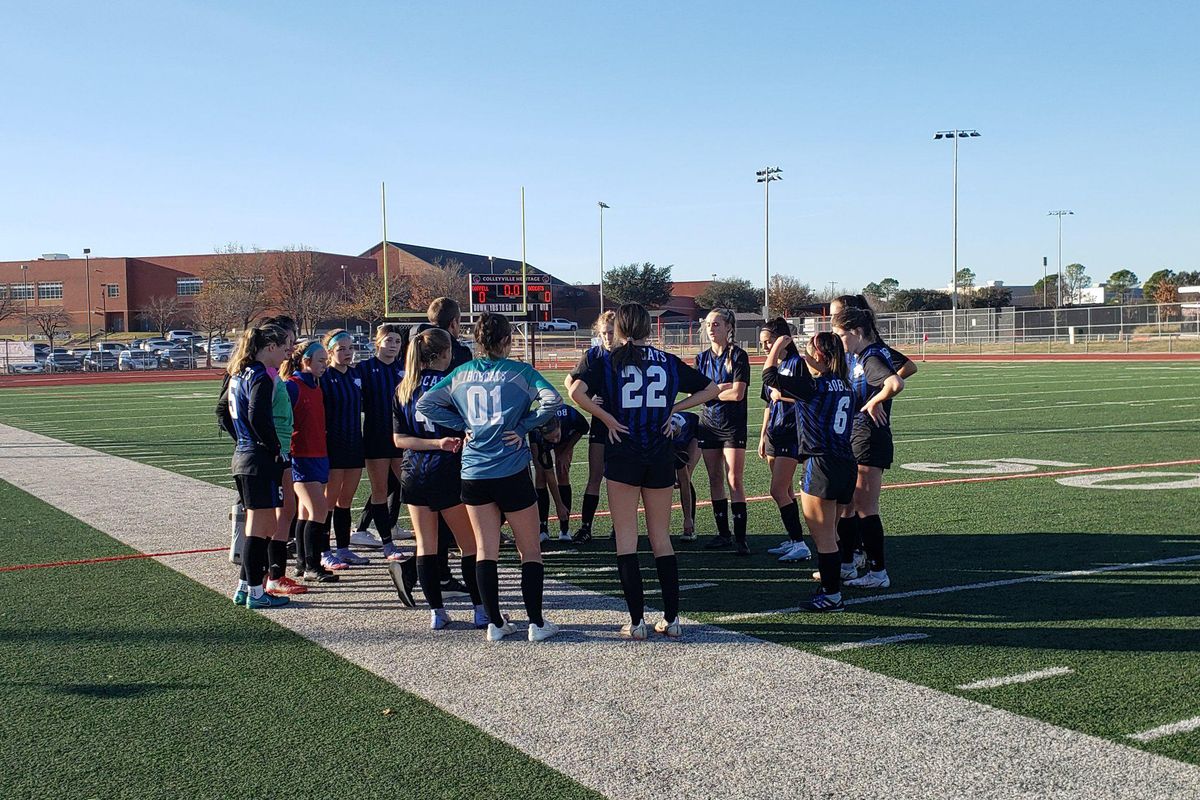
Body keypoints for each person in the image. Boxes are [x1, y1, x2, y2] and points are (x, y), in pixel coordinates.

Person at [569, 303, 718, 639]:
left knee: (626, 540)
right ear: (648, 328)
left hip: (624, 453)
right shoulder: (666, 360)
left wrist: (607, 418)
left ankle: (636, 623)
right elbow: (712, 389)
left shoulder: (607, 359)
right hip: (659, 454)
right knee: (661, 538)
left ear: (620, 328)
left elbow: (575, 392)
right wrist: (673, 409)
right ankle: (672, 619)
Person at [417, 313, 563, 642]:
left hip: (473, 471)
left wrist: (463, 425)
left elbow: (426, 404)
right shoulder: (520, 372)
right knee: (530, 551)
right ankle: (536, 623)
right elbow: (553, 400)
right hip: (510, 469)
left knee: (485, 550)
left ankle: (495, 623)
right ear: (507, 340)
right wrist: (524, 426)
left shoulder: (461, 373)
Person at [393, 328, 487, 630]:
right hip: (447, 470)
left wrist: (432, 443)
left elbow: (399, 440)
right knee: (470, 545)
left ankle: (437, 611)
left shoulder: (404, 387)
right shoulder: (452, 385)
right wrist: (443, 443)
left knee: (426, 545)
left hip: (414, 471)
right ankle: (480, 609)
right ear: (445, 353)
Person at [762, 331, 857, 611]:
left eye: (808, 351)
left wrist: (777, 346)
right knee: (832, 533)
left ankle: (832, 595)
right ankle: (833, 582)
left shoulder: (814, 385)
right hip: (845, 462)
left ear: (820, 356)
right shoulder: (846, 385)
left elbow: (768, 376)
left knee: (823, 537)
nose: (804, 355)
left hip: (821, 463)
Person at [826, 294, 917, 575]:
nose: (838, 341)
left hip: (869, 436)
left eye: (840, 335)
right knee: (849, 504)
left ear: (856, 332)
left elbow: (895, 382)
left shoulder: (871, 355)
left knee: (865, 507)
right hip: (857, 434)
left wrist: (875, 401)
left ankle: (877, 572)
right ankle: (848, 563)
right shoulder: (861, 355)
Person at [216, 321, 294, 609]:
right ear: (270, 347)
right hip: (258, 459)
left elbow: (223, 412)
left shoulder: (239, 373)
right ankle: (256, 593)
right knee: (261, 529)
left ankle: (243, 587)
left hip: (244, 456)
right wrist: (273, 448)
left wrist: (242, 440)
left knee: (258, 525)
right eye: (283, 348)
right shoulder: (260, 375)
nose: (285, 354)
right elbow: (258, 416)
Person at [280, 340, 338, 586]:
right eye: (321, 361)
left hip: (318, 455)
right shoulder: (292, 386)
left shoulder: (316, 386)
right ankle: (313, 565)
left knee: (306, 511)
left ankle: (303, 563)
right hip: (301, 457)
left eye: (326, 360)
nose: (325, 365)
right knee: (318, 510)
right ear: (305, 361)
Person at [695, 308, 752, 554]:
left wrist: (712, 393)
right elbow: (696, 393)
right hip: (708, 425)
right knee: (715, 479)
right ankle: (723, 534)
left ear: (729, 327)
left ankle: (741, 538)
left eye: (716, 324)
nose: (711, 328)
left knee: (734, 479)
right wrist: (719, 390)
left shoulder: (738, 355)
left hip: (732, 426)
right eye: (708, 324)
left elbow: (737, 394)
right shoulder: (701, 359)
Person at [757, 319, 811, 564]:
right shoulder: (774, 365)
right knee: (786, 491)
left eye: (769, 342)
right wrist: (763, 434)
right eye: (763, 343)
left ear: (782, 339)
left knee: (777, 490)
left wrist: (784, 396)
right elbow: (768, 404)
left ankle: (800, 543)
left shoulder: (797, 364)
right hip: (774, 433)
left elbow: (808, 397)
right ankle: (793, 538)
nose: (766, 347)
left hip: (791, 433)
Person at [319, 329, 371, 566]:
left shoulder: (355, 374)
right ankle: (323, 551)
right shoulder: (325, 376)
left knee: (346, 501)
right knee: (328, 502)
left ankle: (343, 548)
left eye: (350, 348)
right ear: (330, 352)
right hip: (333, 445)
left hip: (354, 442)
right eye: (341, 349)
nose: (348, 353)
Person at [564, 310, 616, 543]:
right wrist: (587, 399)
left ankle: (619, 525)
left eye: (611, 333)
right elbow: (570, 380)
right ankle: (586, 527)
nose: (607, 337)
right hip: (601, 422)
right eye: (604, 333)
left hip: (624, 422)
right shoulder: (594, 355)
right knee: (595, 475)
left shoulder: (627, 353)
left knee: (621, 478)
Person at [359, 323, 409, 561]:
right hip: (376, 436)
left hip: (401, 438)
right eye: (389, 340)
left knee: (410, 486)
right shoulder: (364, 369)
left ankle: (430, 538)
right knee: (379, 490)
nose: (393, 345)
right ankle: (388, 543)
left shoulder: (404, 370)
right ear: (377, 342)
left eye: (397, 341)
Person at [529, 405, 589, 542]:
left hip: (566, 437)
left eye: (556, 436)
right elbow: (549, 475)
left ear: (560, 425)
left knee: (563, 472)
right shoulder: (537, 435)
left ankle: (564, 528)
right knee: (541, 476)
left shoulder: (570, 416)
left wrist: (566, 451)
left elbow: (583, 428)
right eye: (551, 439)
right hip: (539, 441)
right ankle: (542, 527)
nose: (555, 441)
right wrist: (559, 504)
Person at [669, 411, 702, 541]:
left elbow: (684, 482)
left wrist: (687, 519)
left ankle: (689, 524)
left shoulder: (676, 444)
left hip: (694, 432)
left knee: (685, 476)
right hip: (672, 434)